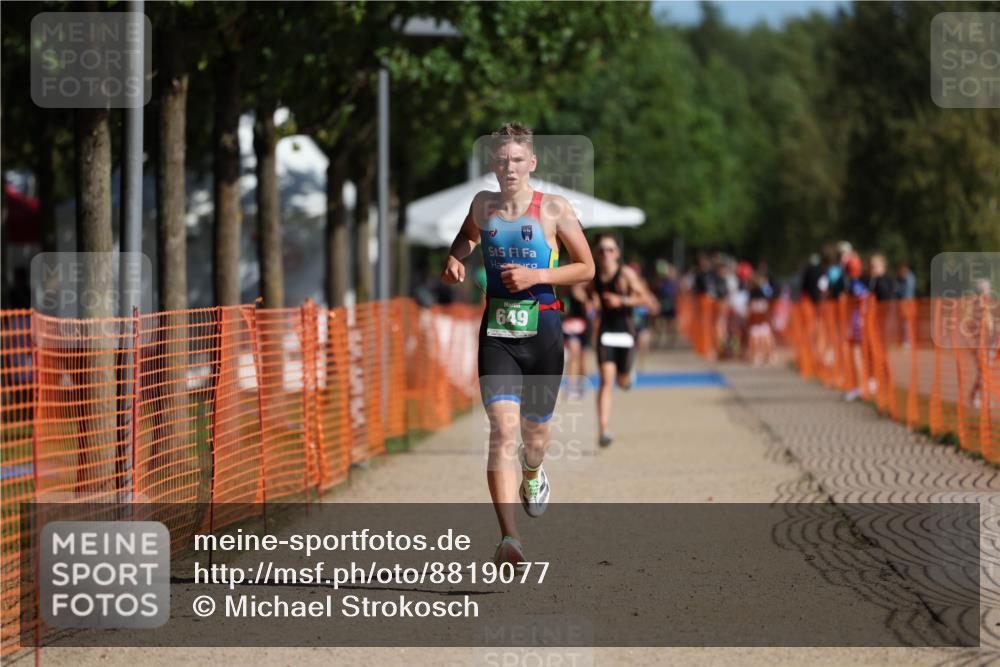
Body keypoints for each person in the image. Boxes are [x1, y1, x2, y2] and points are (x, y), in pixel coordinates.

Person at [441, 122, 594, 567]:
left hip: (543, 331)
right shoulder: (482, 205)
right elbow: (468, 236)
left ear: (532, 163)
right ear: (493, 163)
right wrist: (455, 257)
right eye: (502, 160)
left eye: (517, 160)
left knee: (535, 437)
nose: (509, 167)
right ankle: (510, 538)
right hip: (498, 334)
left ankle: (533, 471)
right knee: (503, 431)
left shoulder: (554, 209)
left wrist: (537, 275)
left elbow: (585, 267)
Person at [588, 233, 657, 447]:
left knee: (622, 381)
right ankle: (604, 429)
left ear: (617, 253)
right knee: (606, 381)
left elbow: (646, 300)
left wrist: (622, 300)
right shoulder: (593, 275)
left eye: (610, 250)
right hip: (605, 332)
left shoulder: (625, 274)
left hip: (625, 331)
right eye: (601, 250)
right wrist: (589, 301)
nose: (605, 254)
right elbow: (586, 293)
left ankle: (627, 376)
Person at [562, 282, 595, 400]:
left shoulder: (591, 293)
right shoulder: (567, 291)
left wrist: (584, 299)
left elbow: (591, 311)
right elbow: (563, 309)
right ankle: (571, 387)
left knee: (583, 360)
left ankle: (583, 386)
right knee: (573, 357)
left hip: (585, 329)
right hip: (571, 328)